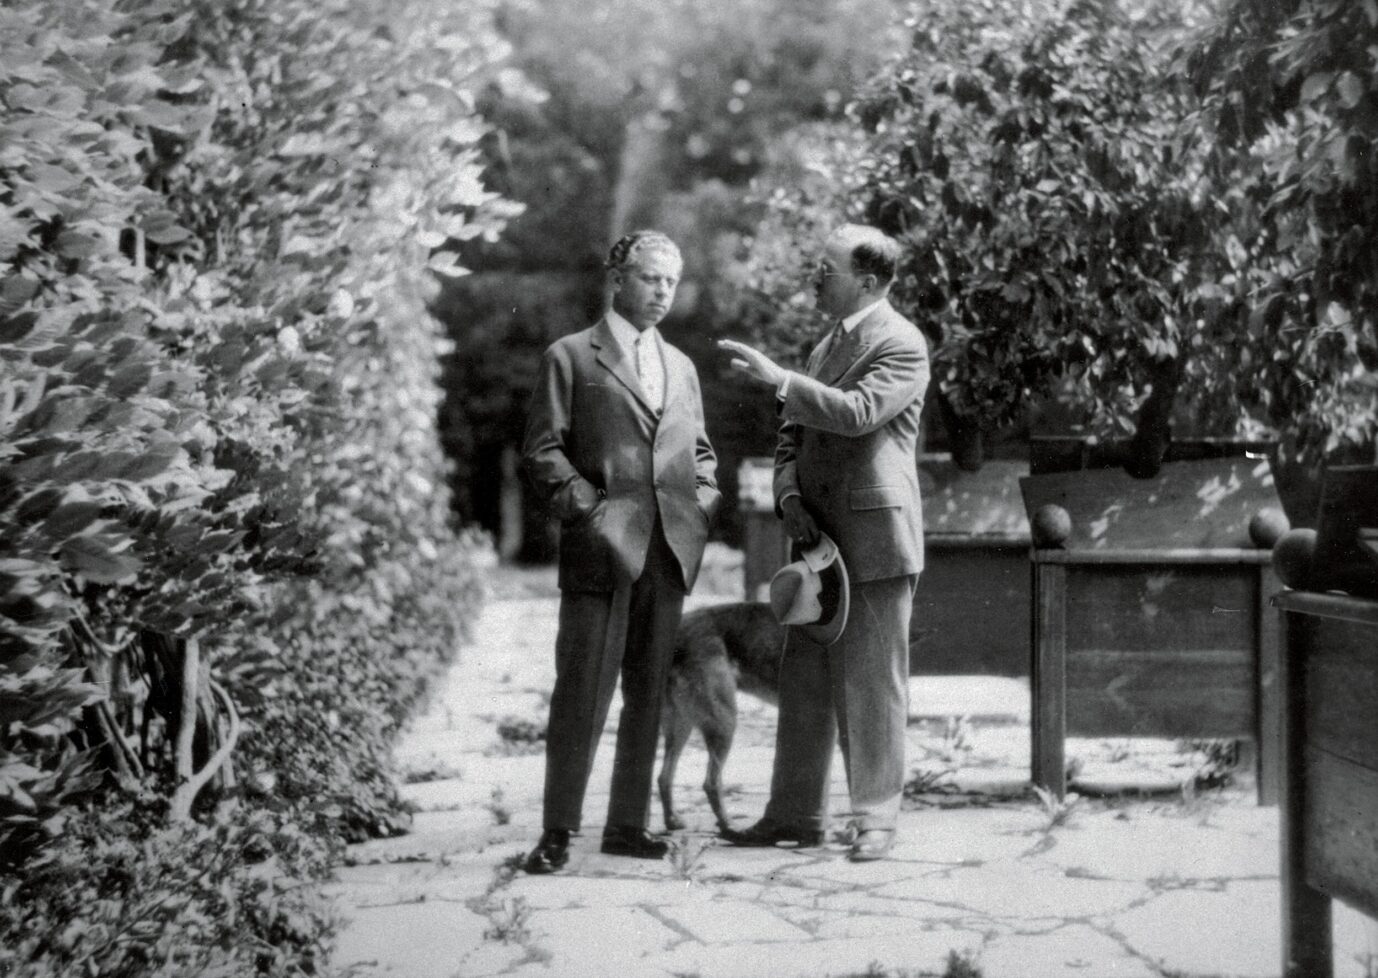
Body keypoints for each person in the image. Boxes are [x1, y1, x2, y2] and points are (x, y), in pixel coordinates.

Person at [717, 223, 929, 862]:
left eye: (825, 268)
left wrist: (779, 378)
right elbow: (791, 440)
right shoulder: (823, 347)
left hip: (872, 541)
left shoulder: (902, 343)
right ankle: (796, 814)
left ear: (866, 282)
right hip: (815, 544)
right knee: (804, 682)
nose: (814, 276)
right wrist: (787, 499)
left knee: (872, 683)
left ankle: (875, 820)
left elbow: (858, 412)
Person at [520, 230, 721, 874]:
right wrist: (592, 514)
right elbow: (543, 452)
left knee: (648, 691)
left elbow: (703, 454)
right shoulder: (572, 357)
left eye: (671, 281)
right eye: (650, 278)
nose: (662, 292)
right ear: (618, 279)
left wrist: (702, 504)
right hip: (601, 550)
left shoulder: (683, 366)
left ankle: (627, 826)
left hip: (669, 551)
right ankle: (558, 831)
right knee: (581, 690)